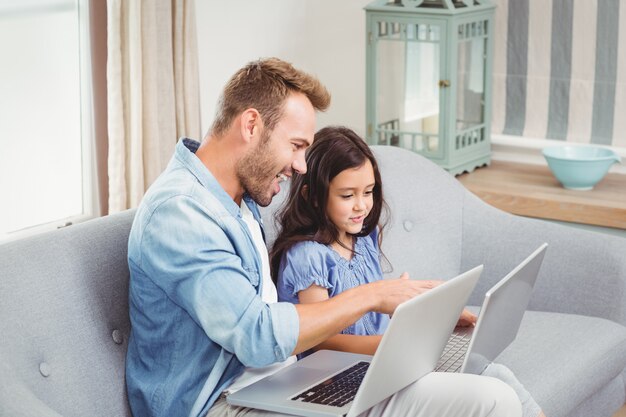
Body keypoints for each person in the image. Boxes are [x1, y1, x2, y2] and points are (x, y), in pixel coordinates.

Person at [126, 57, 522, 417]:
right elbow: (257, 336)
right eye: (296, 146)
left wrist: (423, 314)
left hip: (283, 382)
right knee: (490, 403)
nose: (299, 166)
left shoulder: (237, 201)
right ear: (251, 125)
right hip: (219, 404)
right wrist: (374, 296)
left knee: (486, 386)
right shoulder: (180, 213)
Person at [271, 126, 545, 417]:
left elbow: (371, 302)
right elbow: (319, 340)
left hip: (385, 366)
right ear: (312, 196)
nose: (361, 205)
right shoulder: (307, 257)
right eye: (347, 195)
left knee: (496, 374)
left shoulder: (363, 238)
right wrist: (388, 347)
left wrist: (426, 313)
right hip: (342, 379)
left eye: (368, 192)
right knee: (485, 390)